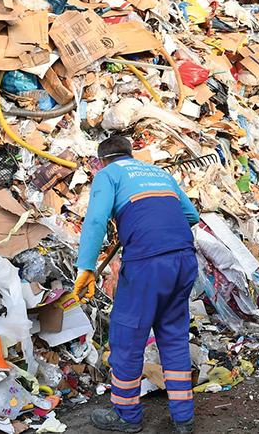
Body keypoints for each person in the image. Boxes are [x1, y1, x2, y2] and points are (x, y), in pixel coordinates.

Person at [75, 136, 200, 433]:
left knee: (127, 338)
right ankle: (183, 417)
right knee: (173, 336)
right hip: (184, 259)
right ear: (130, 155)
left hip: (147, 265)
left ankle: (127, 415)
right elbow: (191, 216)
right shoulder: (159, 173)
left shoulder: (108, 174)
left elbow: (95, 221)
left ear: (101, 161)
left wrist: (86, 269)